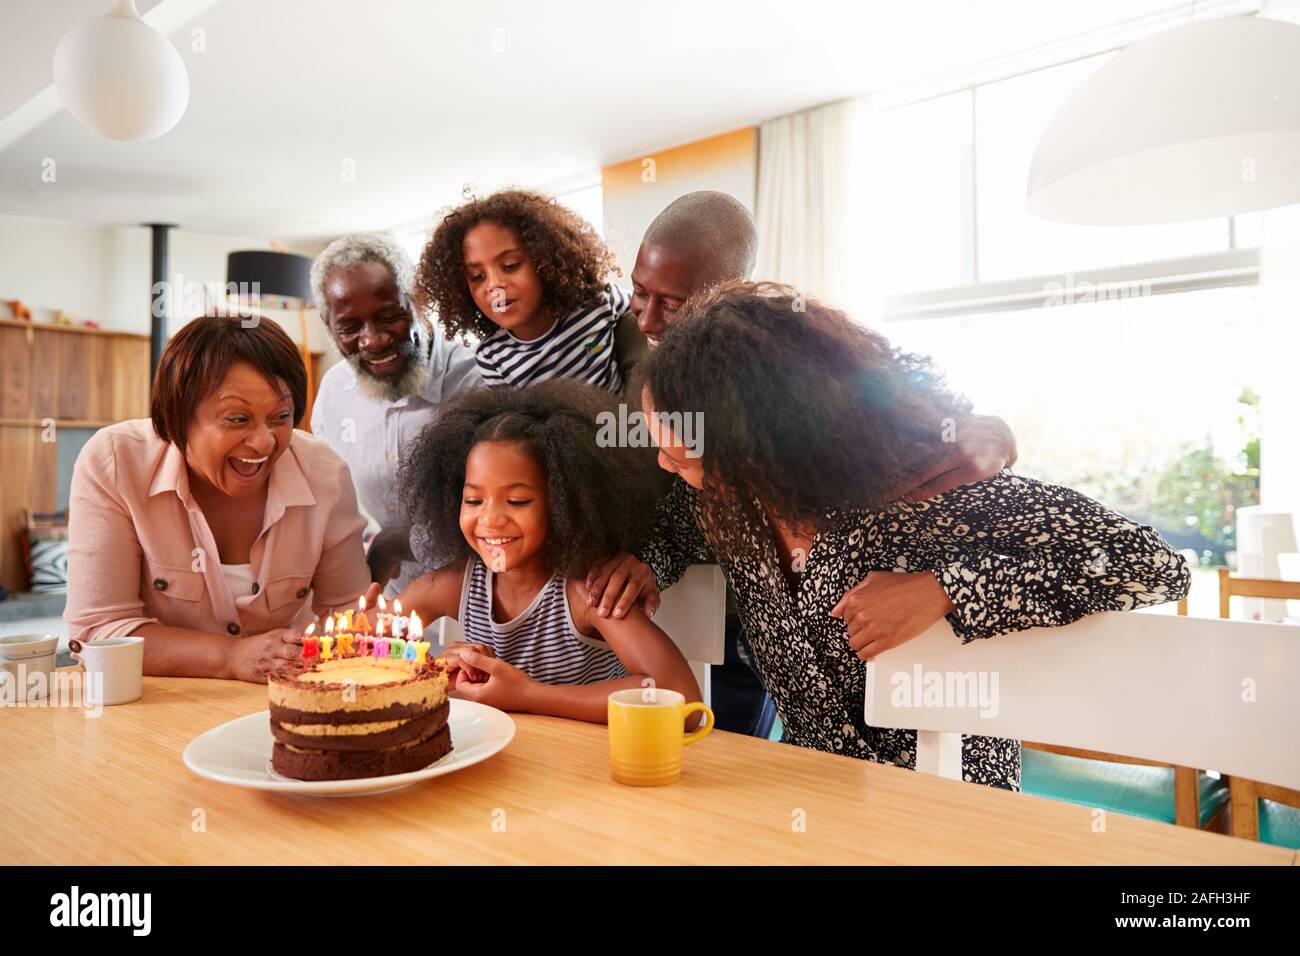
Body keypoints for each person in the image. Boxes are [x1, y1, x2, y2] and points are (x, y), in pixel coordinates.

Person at [637, 282, 1190, 788]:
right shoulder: (724, 502)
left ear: (755, 443)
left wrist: (945, 589)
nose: (665, 464)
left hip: (950, 801)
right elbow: (672, 538)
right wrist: (644, 566)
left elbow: (1151, 563)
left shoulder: (930, 484)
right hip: (810, 794)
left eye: (680, 450)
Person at [590, 191, 1019, 738]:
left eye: (674, 304)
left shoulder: (847, 426)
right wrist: (646, 560)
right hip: (808, 759)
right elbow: (681, 524)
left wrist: (943, 586)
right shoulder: (714, 484)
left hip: (933, 771)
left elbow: (1097, 550)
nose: (650, 320)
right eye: (639, 293)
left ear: (730, 299)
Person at [370, 380, 700, 723]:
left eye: (517, 501)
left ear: (563, 504)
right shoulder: (456, 584)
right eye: (473, 500)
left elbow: (681, 699)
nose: (490, 519)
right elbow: (366, 647)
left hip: (584, 766)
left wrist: (528, 695)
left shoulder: (587, 593)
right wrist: (438, 668)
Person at [65, 313, 370, 683]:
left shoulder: (325, 476)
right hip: (153, 709)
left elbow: (349, 617)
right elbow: (98, 633)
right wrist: (230, 658)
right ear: (177, 417)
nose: (263, 442)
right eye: (237, 419)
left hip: (278, 709)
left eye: (281, 416)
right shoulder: (115, 462)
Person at [309, 233, 483, 593]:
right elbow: (322, 500)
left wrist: (394, 543)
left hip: (484, 599)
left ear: (419, 302)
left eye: (390, 317)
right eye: (350, 327)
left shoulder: (477, 380)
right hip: (392, 599)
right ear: (330, 329)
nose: (373, 340)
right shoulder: (334, 393)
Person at [414, 189, 632, 396]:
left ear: (544, 261)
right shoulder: (492, 357)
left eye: (510, 265)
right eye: (478, 277)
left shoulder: (596, 303)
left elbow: (649, 323)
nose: (494, 285)